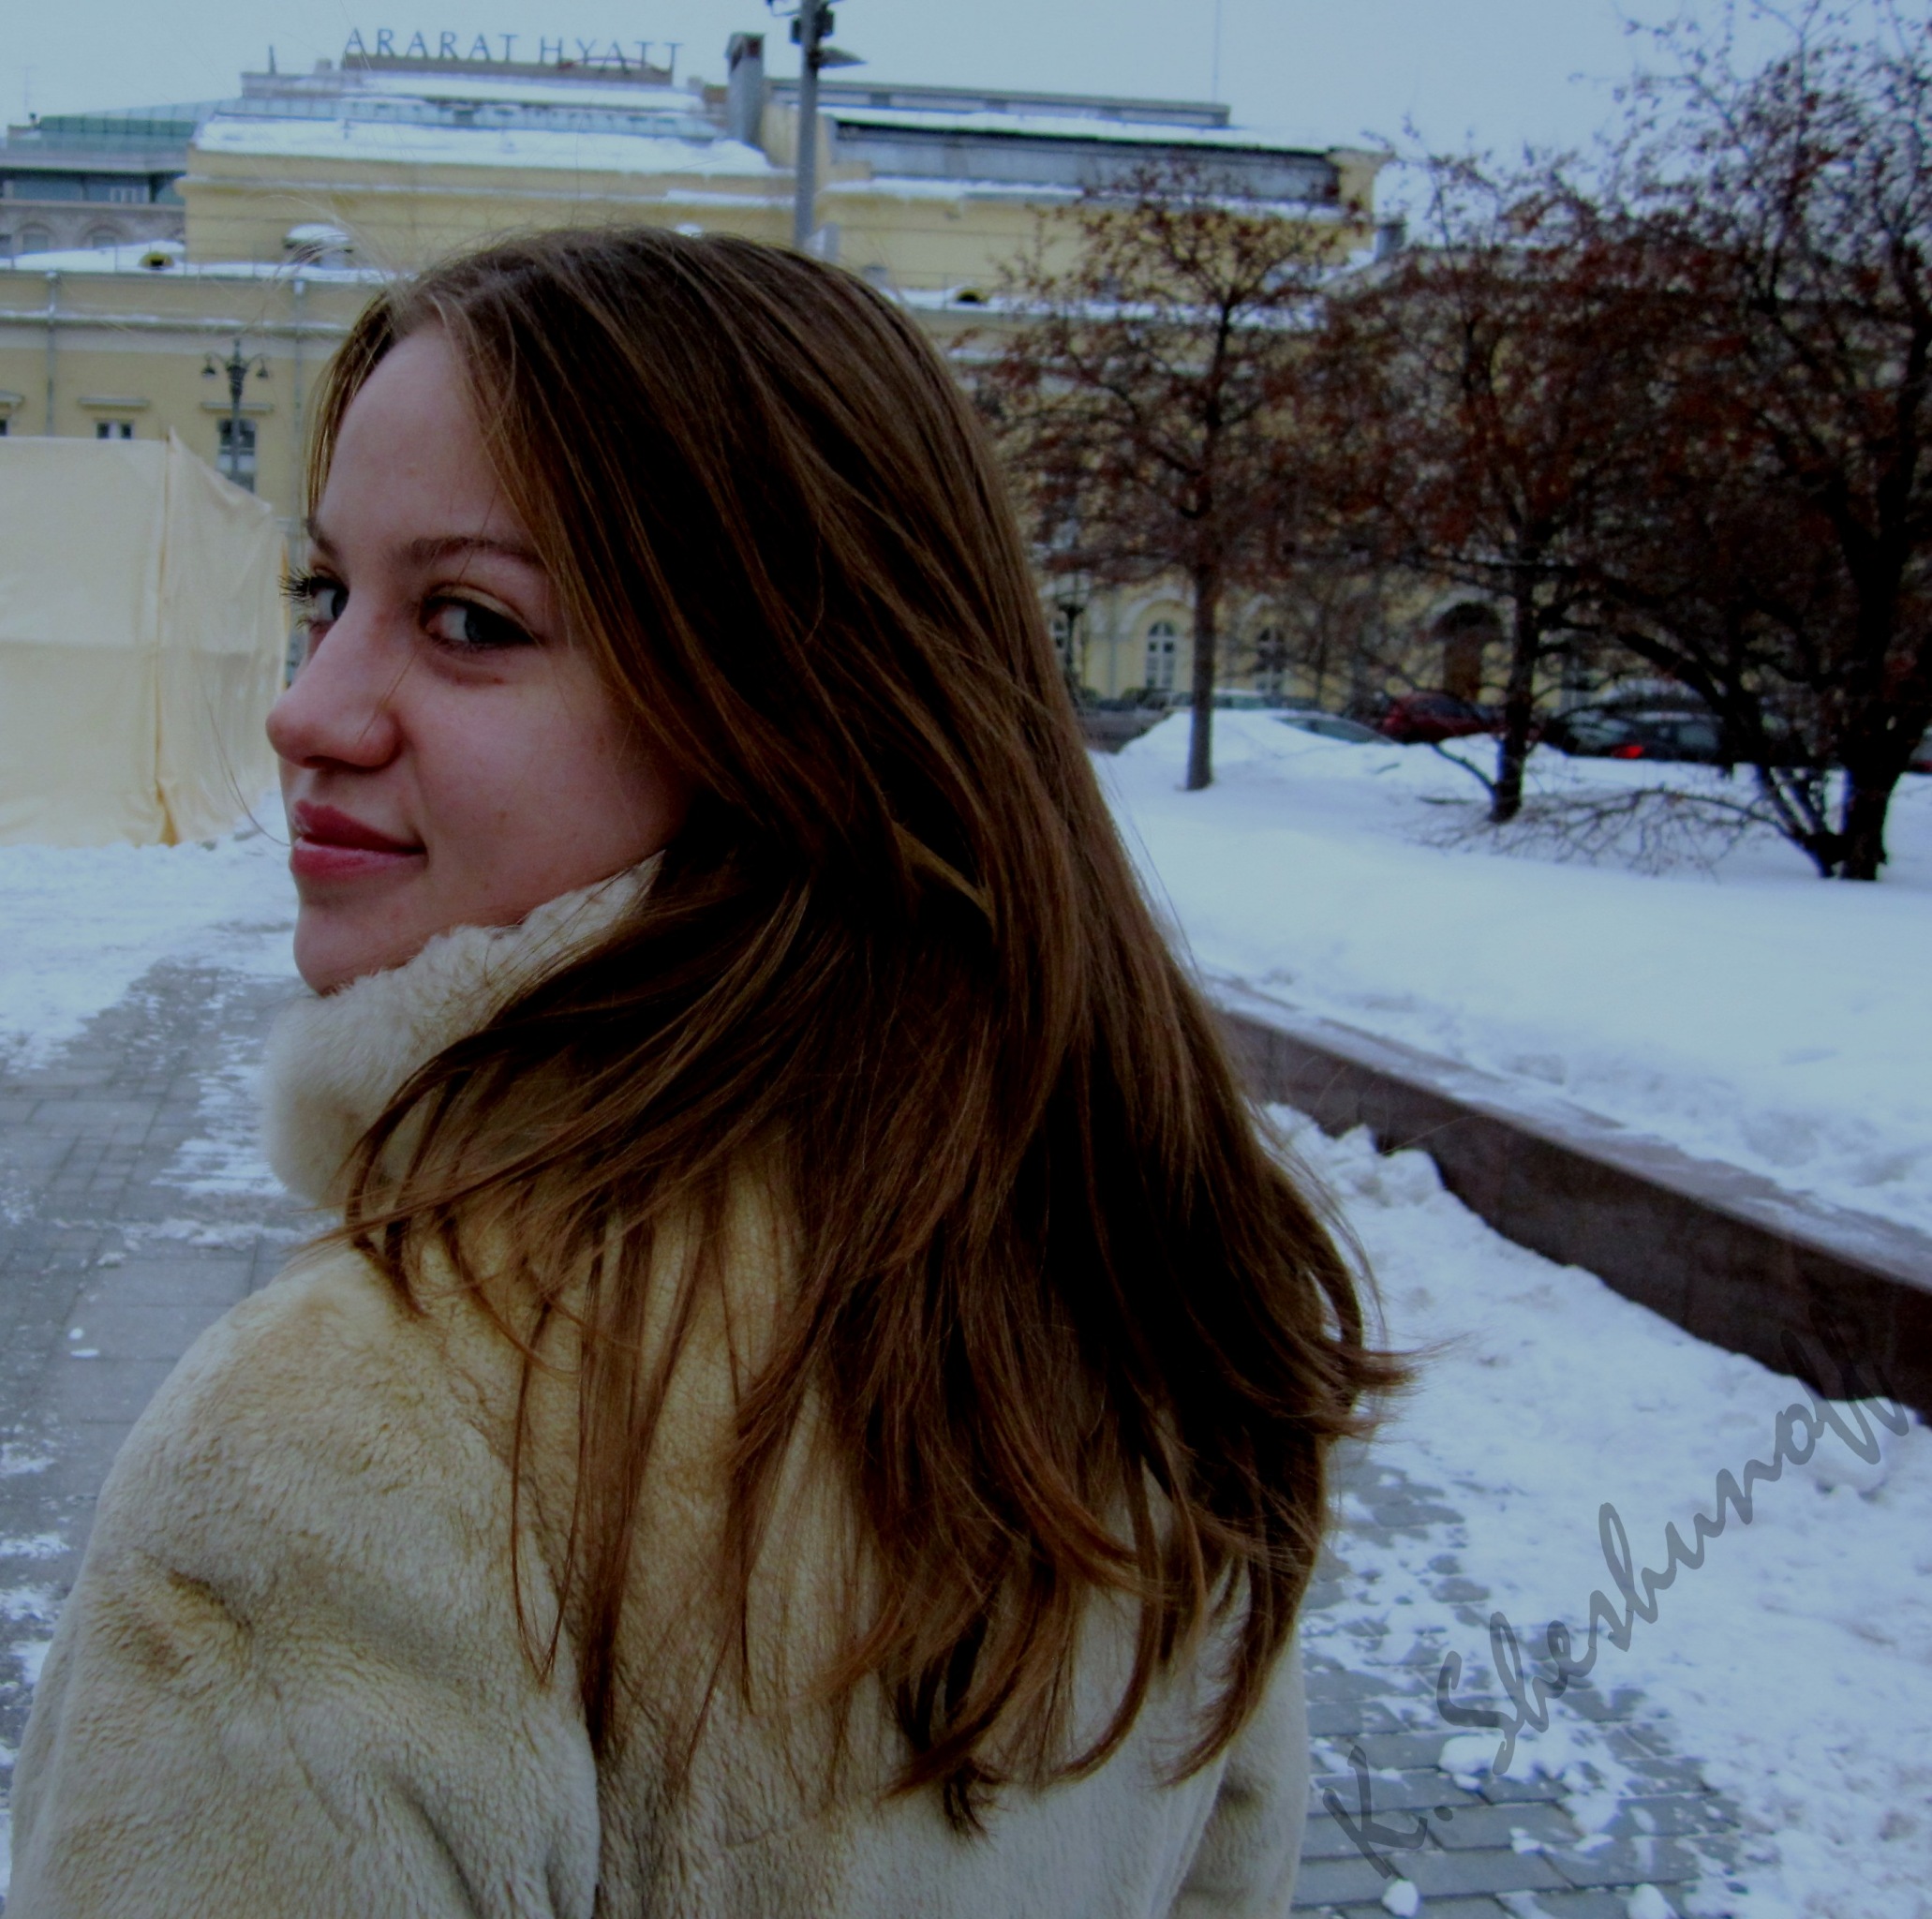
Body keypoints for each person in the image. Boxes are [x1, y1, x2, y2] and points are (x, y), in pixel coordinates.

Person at [8, 229, 1396, 1916]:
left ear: (790, 709)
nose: (309, 710)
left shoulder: (340, 1454)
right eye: (328, 597)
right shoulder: (1133, 1298)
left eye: (468, 620)